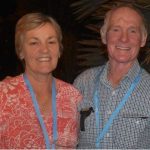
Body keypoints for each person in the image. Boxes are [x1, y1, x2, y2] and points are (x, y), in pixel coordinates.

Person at [0, 12, 82, 149]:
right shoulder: (3, 95)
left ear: (60, 50)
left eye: (51, 42)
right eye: (34, 43)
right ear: (21, 51)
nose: (44, 49)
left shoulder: (74, 97)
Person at [73, 4, 150, 149]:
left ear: (143, 39)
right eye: (116, 30)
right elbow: (67, 139)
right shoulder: (83, 82)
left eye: (132, 31)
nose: (124, 38)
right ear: (104, 36)